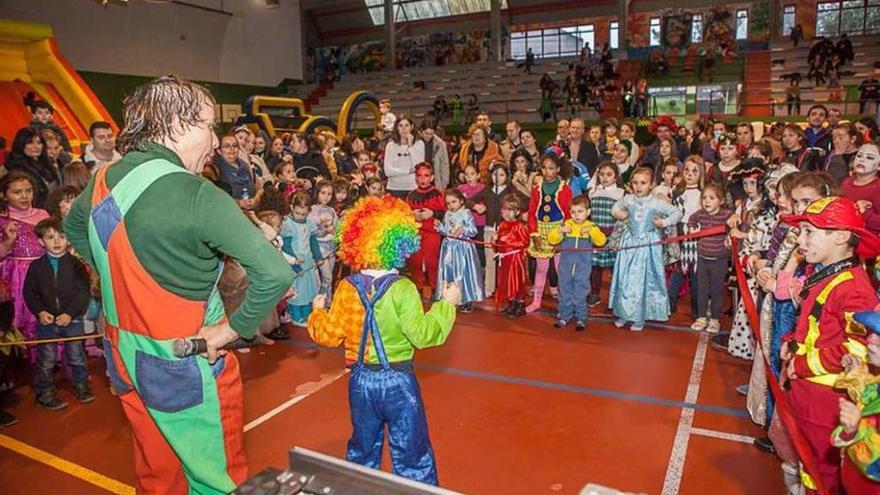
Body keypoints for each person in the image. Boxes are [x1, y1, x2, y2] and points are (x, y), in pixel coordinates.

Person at [64, 75, 293, 495]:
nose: (213, 139)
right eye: (209, 125)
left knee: (157, 471)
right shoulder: (197, 194)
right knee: (214, 478)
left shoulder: (104, 178)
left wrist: (110, 273)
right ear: (178, 124)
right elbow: (276, 274)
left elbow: (75, 226)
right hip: (184, 362)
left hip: (122, 353)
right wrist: (228, 331)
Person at [307, 195, 460, 486]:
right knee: (412, 452)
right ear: (399, 243)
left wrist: (316, 313)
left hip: (360, 382)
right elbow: (424, 334)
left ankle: (357, 490)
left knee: (363, 448)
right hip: (398, 382)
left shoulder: (347, 287)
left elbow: (328, 334)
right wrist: (447, 305)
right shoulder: (403, 289)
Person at [779, 196, 880, 495]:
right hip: (808, 393)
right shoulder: (828, 274)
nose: (801, 239)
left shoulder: (852, 287)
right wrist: (791, 343)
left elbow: (858, 349)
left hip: (826, 399)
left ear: (840, 236)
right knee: (810, 465)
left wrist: (799, 364)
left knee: (825, 474)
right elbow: (815, 323)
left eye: (810, 232)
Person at [23, 217, 93, 410]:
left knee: (77, 355)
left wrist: (70, 313)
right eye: (50, 237)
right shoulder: (36, 267)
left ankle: (80, 384)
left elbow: (83, 291)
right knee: (46, 358)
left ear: (68, 239)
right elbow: (29, 293)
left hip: (72, 320)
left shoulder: (76, 264)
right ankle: (44, 392)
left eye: (61, 236)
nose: (56, 241)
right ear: (40, 241)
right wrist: (40, 311)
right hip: (46, 321)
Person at [609, 167, 683, 331]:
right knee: (626, 279)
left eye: (643, 183)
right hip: (628, 245)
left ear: (651, 185)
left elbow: (677, 213)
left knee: (642, 280)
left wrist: (663, 223)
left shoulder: (655, 202)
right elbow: (614, 209)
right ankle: (623, 313)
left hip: (647, 247)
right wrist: (620, 214)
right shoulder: (628, 199)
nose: (638, 186)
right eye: (635, 183)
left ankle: (639, 316)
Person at [831, 311, 880, 494]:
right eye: (872, 332)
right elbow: (871, 400)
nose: (870, 340)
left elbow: (876, 466)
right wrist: (856, 375)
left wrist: (854, 430)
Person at [548, 196, 606, 331]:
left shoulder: (591, 227)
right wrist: (559, 231)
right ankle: (564, 316)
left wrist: (591, 231)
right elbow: (552, 239)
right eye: (573, 212)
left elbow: (601, 241)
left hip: (583, 268)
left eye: (580, 211)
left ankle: (581, 318)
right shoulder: (567, 225)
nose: (576, 215)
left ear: (588, 212)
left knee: (581, 292)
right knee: (564, 291)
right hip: (565, 267)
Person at [526, 154, 572, 313]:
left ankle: (565, 303)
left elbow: (569, 214)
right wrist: (534, 234)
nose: (547, 171)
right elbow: (532, 213)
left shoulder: (565, 189)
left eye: (551, 168)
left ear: (558, 169)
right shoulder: (537, 188)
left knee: (561, 270)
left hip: (559, 230)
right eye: (544, 167)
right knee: (541, 269)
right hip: (541, 230)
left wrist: (563, 238)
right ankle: (537, 301)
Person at [687, 184, 733, 333]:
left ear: (720, 201)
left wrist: (735, 222)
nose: (707, 201)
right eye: (704, 198)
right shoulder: (700, 214)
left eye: (711, 198)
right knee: (702, 289)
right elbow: (691, 219)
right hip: (702, 258)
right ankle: (701, 317)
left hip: (719, 260)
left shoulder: (726, 214)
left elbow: (736, 221)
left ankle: (714, 319)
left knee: (716, 290)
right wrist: (692, 228)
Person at [436, 189, 484, 312]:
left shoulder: (466, 213)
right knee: (449, 272)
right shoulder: (447, 214)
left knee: (463, 273)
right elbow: (447, 231)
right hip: (449, 248)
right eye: (448, 203)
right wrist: (439, 227)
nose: (451, 206)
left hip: (463, 249)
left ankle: (465, 299)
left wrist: (463, 230)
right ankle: (450, 297)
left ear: (461, 201)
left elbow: (473, 231)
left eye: (454, 202)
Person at [282, 191, 322, 327]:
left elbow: (313, 242)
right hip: (295, 262)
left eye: (303, 214)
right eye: (297, 213)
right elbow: (286, 248)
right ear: (292, 207)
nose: (300, 216)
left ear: (309, 211)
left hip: (307, 261)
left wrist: (318, 257)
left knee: (308, 290)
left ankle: (306, 314)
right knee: (297, 291)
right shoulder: (287, 224)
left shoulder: (309, 224)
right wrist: (296, 267)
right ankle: (295, 315)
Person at [588, 162, 624, 308]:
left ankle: (616, 296)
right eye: (602, 174)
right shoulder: (593, 192)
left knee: (615, 267)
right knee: (595, 266)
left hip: (612, 235)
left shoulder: (620, 194)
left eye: (609, 174)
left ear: (616, 177)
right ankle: (594, 294)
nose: (605, 177)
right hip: (596, 235)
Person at [406, 163, 445, 298]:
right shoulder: (411, 195)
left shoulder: (437, 194)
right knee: (415, 260)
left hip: (432, 232)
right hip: (415, 232)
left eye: (426, 176)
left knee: (431, 261)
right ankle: (418, 287)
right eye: (419, 176)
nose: (423, 179)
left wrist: (433, 213)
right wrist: (411, 214)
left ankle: (435, 288)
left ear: (432, 177)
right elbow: (405, 213)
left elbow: (446, 213)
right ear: (416, 178)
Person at [5, 127, 60, 208]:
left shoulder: (48, 163)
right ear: (21, 144)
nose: (36, 146)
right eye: (30, 142)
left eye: (39, 142)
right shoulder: (14, 168)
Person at [494, 194, 529, 319]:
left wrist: (507, 241)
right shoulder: (502, 225)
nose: (506, 213)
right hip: (505, 259)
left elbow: (525, 242)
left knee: (516, 281)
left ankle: (519, 305)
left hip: (515, 259)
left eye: (510, 210)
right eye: (504, 209)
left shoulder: (519, 226)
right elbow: (498, 245)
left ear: (517, 211)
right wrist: (496, 241)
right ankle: (510, 303)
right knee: (506, 282)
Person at [384, 116, 425, 199]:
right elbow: (388, 171)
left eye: (406, 125)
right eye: (400, 125)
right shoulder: (390, 146)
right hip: (394, 188)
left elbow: (419, 167)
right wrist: (407, 171)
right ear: (397, 128)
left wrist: (410, 146)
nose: (404, 128)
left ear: (412, 127)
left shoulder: (419, 144)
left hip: (413, 187)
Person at [419, 119, 450, 189]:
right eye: (426, 133)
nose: (428, 136)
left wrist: (444, 183)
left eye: (431, 134)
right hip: (418, 180)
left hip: (435, 181)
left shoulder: (440, 144)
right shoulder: (415, 142)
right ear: (421, 131)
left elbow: (445, 164)